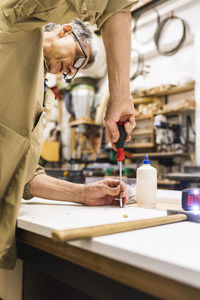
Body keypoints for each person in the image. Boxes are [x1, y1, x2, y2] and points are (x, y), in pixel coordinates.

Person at [0, 0, 137, 269]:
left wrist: (84, 193)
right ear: (64, 30)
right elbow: (111, 3)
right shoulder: (16, 24)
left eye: (76, 71)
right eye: (78, 59)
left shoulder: (39, 97)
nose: (70, 72)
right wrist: (121, 94)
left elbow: (24, 177)